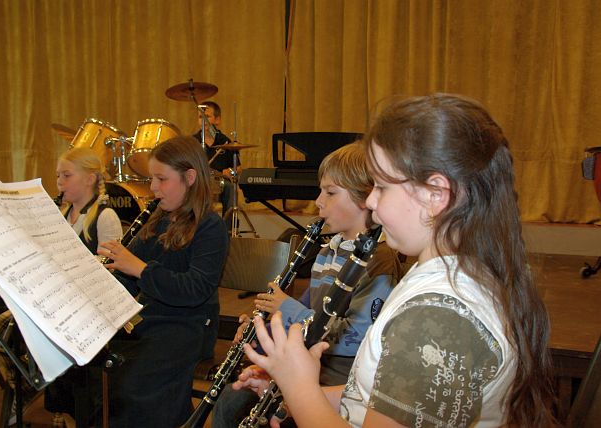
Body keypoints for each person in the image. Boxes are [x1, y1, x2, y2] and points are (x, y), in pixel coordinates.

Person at [237, 94, 556, 427]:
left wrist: (299, 387)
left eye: (381, 186)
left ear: (435, 195)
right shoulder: (447, 275)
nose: (371, 201)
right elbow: (379, 400)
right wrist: (295, 396)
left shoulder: (439, 315)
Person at [212, 143, 403, 427]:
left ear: (365, 198)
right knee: (230, 399)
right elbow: (305, 316)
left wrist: (287, 308)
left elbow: (356, 338)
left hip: (341, 382)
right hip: (306, 367)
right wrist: (264, 332)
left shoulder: (380, 259)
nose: (318, 201)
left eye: (330, 192)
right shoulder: (328, 251)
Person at [98, 135, 229, 427]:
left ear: (190, 178)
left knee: (133, 384)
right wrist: (104, 279)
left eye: (161, 179)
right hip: (152, 320)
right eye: (151, 179)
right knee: (96, 366)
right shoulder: (156, 220)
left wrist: (141, 270)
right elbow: (128, 279)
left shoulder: (211, 226)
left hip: (190, 326)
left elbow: (195, 289)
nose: (153, 188)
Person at [0, 147, 124, 426]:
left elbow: (111, 269)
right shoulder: (61, 213)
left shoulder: (105, 216)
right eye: (58, 176)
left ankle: (36, 385)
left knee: (36, 339)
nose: (59, 182)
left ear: (90, 178)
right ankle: (29, 382)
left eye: (66, 175)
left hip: (85, 305)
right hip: (57, 300)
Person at [193, 101, 242, 217]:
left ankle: (227, 225)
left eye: (207, 116)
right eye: (200, 117)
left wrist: (230, 171)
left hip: (220, 184)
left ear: (217, 120)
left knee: (230, 188)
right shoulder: (192, 142)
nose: (203, 120)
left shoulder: (225, 141)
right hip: (199, 183)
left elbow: (238, 168)